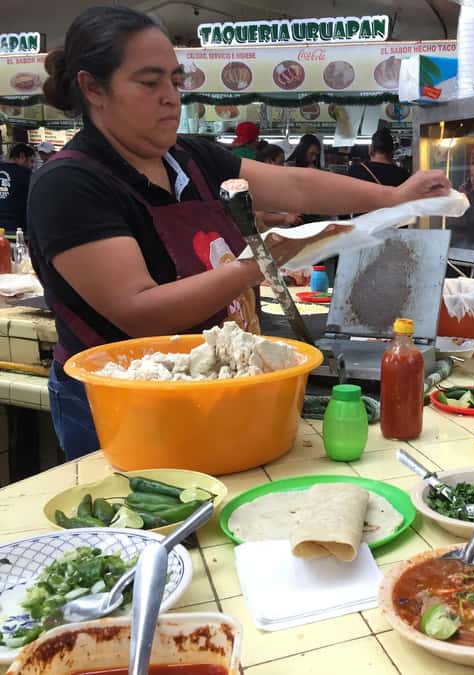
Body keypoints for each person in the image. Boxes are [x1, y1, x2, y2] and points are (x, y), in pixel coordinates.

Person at [28, 6, 450, 461]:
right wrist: (265, 261)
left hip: (211, 387)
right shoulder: (70, 184)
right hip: (122, 409)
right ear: (93, 88)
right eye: (150, 83)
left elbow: (296, 184)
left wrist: (393, 197)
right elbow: (140, 310)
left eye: (175, 80)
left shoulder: (187, 157)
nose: (171, 97)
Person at [253, 143, 300, 230]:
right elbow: (260, 217)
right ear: (269, 161)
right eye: (281, 163)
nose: (283, 167)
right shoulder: (258, 183)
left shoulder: (270, 181)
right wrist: (285, 218)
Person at [0, 143, 36, 234]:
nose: (32, 165)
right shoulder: (26, 174)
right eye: (31, 161)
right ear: (22, 156)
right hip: (15, 230)